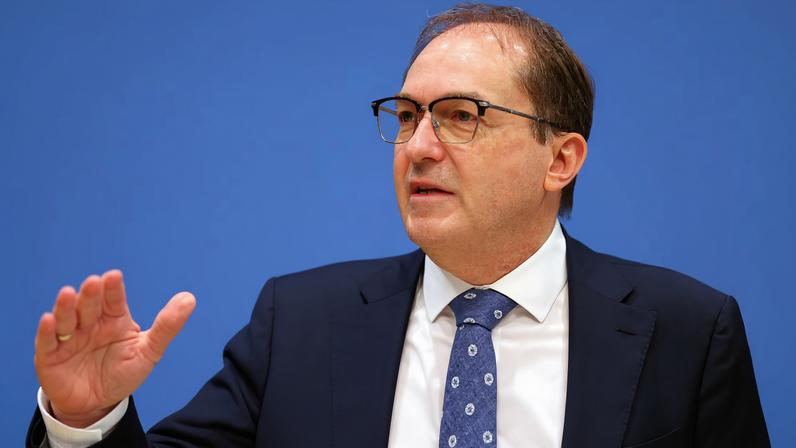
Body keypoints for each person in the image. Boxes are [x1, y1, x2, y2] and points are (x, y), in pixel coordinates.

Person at [27, 4, 769, 447]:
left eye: (460, 116)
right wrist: (84, 421)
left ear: (561, 158)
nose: (417, 146)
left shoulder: (689, 333)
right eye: (408, 116)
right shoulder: (300, 325)